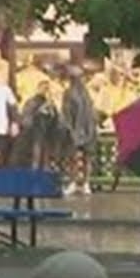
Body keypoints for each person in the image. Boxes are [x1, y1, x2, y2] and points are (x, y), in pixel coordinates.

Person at [60, 64, 99, 195]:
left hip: (85, 129)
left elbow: (92, 111)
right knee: (74, 157)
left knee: (85, 157)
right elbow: (66, 113)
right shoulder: (71, 93)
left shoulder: (85, 93)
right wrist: (69, 128)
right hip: (78, 129)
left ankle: (84, 183)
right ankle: (75, 182)